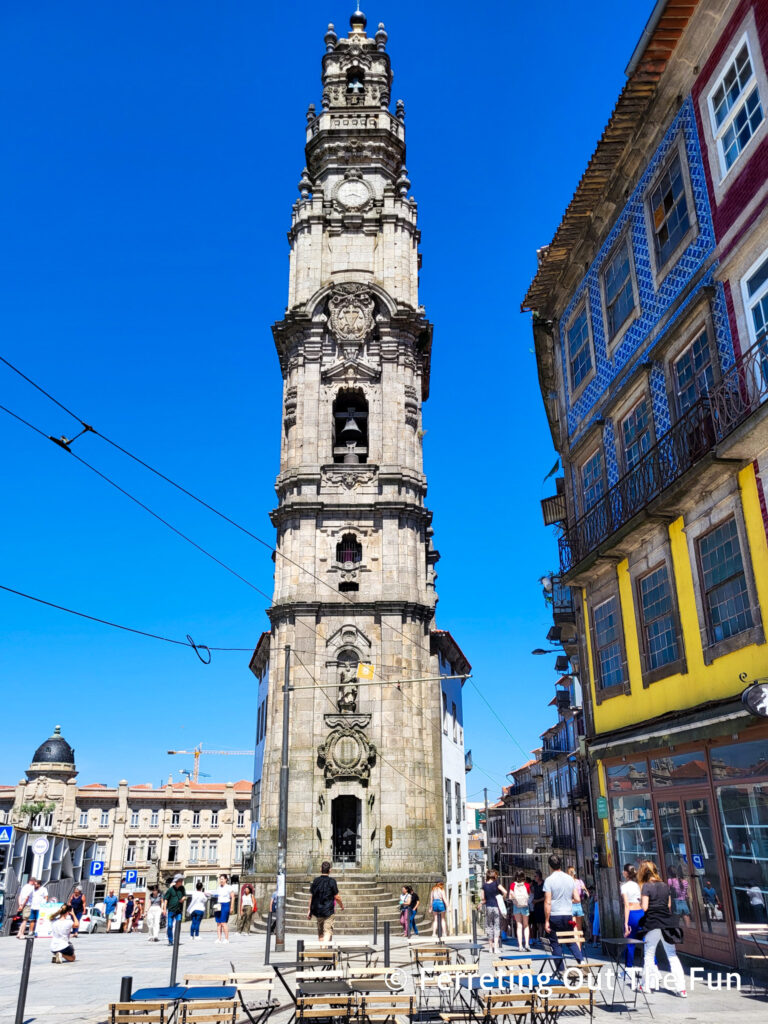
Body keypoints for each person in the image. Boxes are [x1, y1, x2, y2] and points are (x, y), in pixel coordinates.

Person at [639, 861, 686, 996]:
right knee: (672, 954)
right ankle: (681, 988)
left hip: (652, 923)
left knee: (649, 955)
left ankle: (646, 985)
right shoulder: (666, 885)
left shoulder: (646, 887)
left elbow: (645, 907)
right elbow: (669, 904)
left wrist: (640, 901)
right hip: (667, 923)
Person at [543, 854, 583, 973]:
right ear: (561, 864)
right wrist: (567, 900)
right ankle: (581, 962)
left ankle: (561, 970)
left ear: (550, 866)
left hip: (555, 915)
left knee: (555, 943)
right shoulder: (570, 879)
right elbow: (577, 898)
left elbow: (548, 902)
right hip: (567, 914)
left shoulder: (549, 880)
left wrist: (546, 920)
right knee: (570, 940)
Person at [308, 861, 344, 946]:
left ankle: (322, 951)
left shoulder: (316, 881)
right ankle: (324, 948)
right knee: (328, 931)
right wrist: (341, 905)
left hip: (318, 911)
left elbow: (312, 897)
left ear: (320, 869)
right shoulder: (332, 881)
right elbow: (337, 897)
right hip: (328, 911)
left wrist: (309, 910)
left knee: (320, 932)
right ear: (330, 870)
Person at [621, 864, 643, 966]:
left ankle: (629, 968)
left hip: (632, 914)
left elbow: (626, 905)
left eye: (623, 871)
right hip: (641, 913)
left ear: (626, 873)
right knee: (646, 941)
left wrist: (625, 923)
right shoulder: (639, 885)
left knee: (630, 942)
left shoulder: (624, 886)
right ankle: (654, 967)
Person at [209, 873, 235, 943]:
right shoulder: (219, 887)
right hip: (219, 905)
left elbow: (233, 897)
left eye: (222, 879)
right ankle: (219, 938)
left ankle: (226, 939)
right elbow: (215, 894)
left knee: (223, 923)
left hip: (226, 904)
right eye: (220, 879)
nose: (221, 880)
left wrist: (231, 907)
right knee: (218, 923)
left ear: (226, 879)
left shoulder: (229, 887)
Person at [509, 871, 532, 951]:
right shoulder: (527, 885)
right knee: (526, 925)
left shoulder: (513, 885)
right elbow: (529, 894)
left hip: (516, 906)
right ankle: (527, 944)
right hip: (525, 906)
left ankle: (520, 946)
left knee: (519, 926)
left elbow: (511, 895)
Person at [163, 874, 187, 946]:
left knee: (178, 926)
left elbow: (184, 896)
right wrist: (164, 909)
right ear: (177, 881)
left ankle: (176, 940)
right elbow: (166, 899)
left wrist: (183, 898)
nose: (182, 881)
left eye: (182, 880)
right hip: (171, 910)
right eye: (180, 880)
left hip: (179, 910)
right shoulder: (170, 890)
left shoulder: (182, 888)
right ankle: (170, 941)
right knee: (170, 925)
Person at [567, 867, 589, 941]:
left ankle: (576, 944)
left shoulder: (568, 883)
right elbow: (587, 894)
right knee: (580, 928)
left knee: (574, 927)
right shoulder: (580, 882)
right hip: (580, 905)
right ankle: (579, 947)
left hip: (572, 905)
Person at [529, 870, 545, 942]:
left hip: (542, 905)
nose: (534, 878)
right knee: (538, 923)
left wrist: (537, 901)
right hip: (536, 906)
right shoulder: (535, 885)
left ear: (539, 876)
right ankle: (540, 936)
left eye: (535, 876)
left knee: (543, 922)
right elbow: (531, 891)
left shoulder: (544, 884)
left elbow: (546, 896)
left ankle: (543, 936)